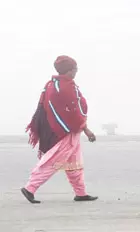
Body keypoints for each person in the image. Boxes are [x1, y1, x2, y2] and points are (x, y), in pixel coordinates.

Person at [21, 55, 98, 204]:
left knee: (74, 163)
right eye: (75, 69)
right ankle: (30, 188)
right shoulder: (65, 86)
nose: (76, 71)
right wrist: (86, 129)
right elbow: (74, 111)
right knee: (53, 161)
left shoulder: (52, 84)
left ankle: (80, 193)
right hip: (65, 132)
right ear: (69, 70)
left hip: (65, 129)